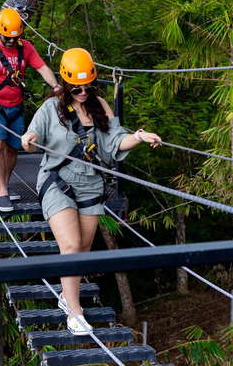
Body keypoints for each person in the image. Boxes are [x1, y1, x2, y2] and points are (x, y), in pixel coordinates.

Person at [20, 48, 161, 336]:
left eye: (87, 86)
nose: (83, 92)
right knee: (70, 246)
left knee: (82, 250)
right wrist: (29, 141)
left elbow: (115, 141)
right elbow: (32, 139)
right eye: (77, 87)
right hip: (57, 181)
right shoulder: (50, 108)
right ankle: (75, 310)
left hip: (91, 184)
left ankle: (65, 297)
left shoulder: (100, 107)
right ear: (66, 83)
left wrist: (138, 137)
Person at [0, 8, 61, 212]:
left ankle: (5, 186)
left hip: (16, 105)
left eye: (15, 37)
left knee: (12, 148)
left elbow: (43, 68)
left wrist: (55, 87)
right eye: (8, 38)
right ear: (0, 31)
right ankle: (2, 192)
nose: (11, 41)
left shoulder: (25, 48)